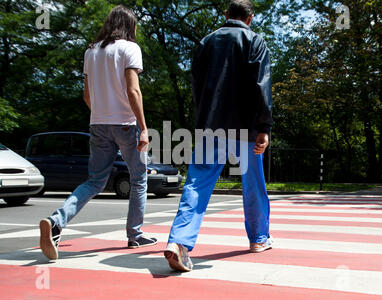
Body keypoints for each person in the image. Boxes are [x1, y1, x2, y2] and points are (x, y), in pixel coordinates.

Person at [39, 5, 157, 261]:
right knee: (138, 177)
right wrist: (144, 128)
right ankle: (135, 234)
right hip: (125, 123)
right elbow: (133, 91)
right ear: (129, 26)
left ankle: (57, 221)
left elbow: (86, 95)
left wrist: (101, 115)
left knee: (95, 181)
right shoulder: (129, 48)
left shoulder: (91, 52)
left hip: (98, 124)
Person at [164, 0, 273, 272]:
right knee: (253, 185)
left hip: (210, 126)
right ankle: (258, 239)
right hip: (245, 127)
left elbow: (197, 87)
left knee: (196, 184)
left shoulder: (206, 42)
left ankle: (179, 242)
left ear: (226, 15)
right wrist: (264, 127)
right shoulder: (254, 41)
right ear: (250, 18)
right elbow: (261, 86)